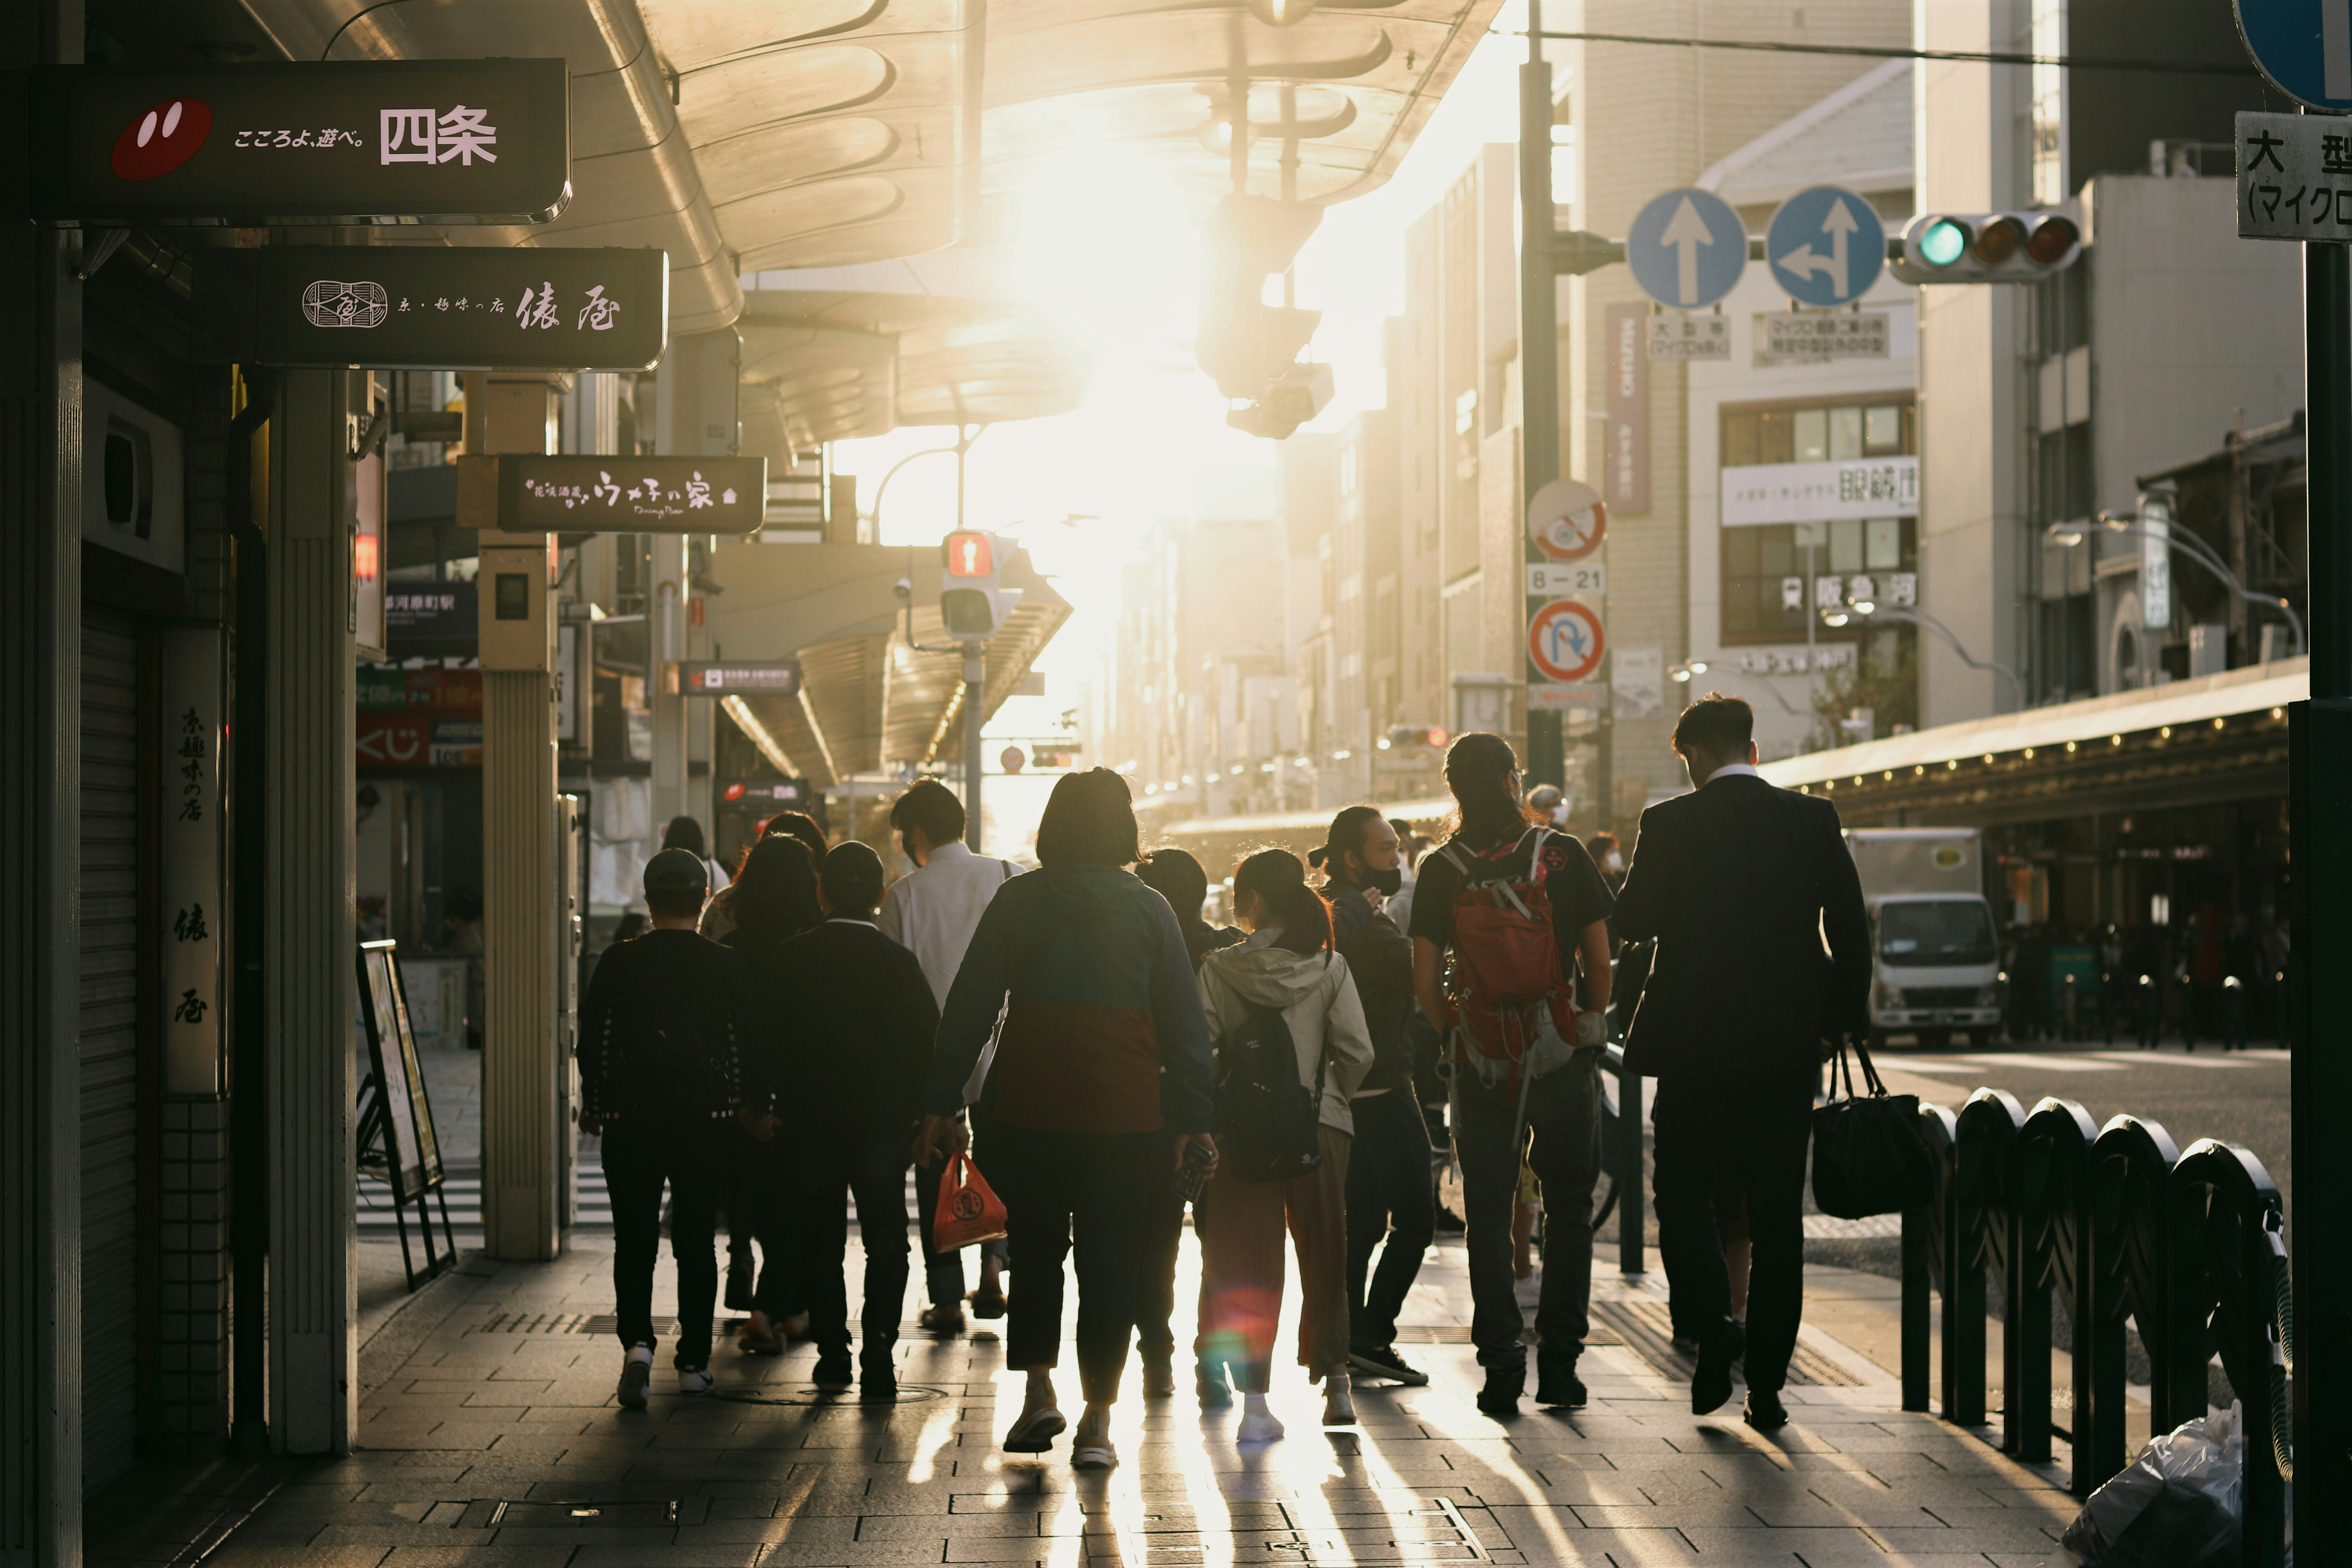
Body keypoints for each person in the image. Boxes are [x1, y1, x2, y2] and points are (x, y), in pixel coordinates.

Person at [915, 769, 1214, 1471]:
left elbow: (970, 1005)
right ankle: (1100, 1423)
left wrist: (940, 1100)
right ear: (1124, 828)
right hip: (1127, 1114)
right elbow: (1185, 1027)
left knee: (1038, 1252)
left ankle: (1039, 1392)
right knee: (1112, 1260)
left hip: (1029, 1108)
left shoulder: (1019, 900)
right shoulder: (1150, 910)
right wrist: (1194, 1117)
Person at [1612, 693, 1869, 1432]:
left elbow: (1633, 922)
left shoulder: (1669, 823)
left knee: (1683, 1195)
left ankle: (1712, 1325)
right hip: (1788, 1051)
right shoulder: (1812, 819)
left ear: (1693, 758)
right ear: (1753, 751)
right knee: (1778, 1219)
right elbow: (1851, 930)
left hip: (1693, 1045)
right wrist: (1834, 1025)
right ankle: (1767, 1387)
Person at [1408, 733, 1614, 1416]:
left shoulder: (1441, 868)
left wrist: (1456, 1036)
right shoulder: (1560, 852)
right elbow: (1600, 961)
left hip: (1482, 1059)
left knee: (1490, 1216)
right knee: (1570, 1209)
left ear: (1453, 789)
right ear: (1510, 780)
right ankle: (1560, 1365)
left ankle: (1500, 1368)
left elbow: (1424, 982)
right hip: (1559, 1056)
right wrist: (1582, 1024)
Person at [1194, 849, 1374, 1441]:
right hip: (1319, 1125)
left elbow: (1204, 1050)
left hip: (1244, 1130)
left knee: (1251, 1260)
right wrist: (1329, 1102)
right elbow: (1357, 1052)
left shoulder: (1219, 970)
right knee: (1326, 1248)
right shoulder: (1330, 967)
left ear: (1250, 901)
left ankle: (1255, 1404)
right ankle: (1339, 1383)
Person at [758, 842, 940, 1401]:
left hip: (809, 1123)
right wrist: (927, 1114)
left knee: (821, 1241)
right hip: (884, 1126)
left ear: (822, 895)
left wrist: (768, 1105)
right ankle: (880, 1353)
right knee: (887, 1239)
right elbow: (927, 1046)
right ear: (881, 897)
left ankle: (834, 1355)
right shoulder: (899, 963)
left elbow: (769, 1043)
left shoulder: (791, 958)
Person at [577, 849, 757, 1410]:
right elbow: (746, 1043)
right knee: (696, 1242)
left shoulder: (619, 961)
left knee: (633, 1241)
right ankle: (695, 1363)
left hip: (632, 1120)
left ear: (649, 900)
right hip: (705, 1122)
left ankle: (637, 1348)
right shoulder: (725, 964)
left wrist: (597, 1102)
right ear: (704, 898)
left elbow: (594, 1040)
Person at [877, 778, 1021, 1334]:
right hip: (1007, 1054)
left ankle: (946, 1299)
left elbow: (893, 991)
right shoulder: (1011, 877)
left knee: (935, 1171)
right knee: (1001, 1162)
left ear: (916, 833)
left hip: (931, 1060)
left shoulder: (906, 896)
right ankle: (994, 1271)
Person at [1310, 808, 1434, 1389]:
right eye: (1387, 849)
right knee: (1415, 1218)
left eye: (1398, 848)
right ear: (1355, 857)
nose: (1398, 858)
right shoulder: (1366, 922)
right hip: (1382, 1088)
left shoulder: (1331, 909)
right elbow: (1420, 977)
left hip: (1341, 1091)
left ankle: (1349, 1335)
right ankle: (1371, 1333)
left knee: (1359, 1221)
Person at [1131, 846, 1247, 1396]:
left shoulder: (1136, 952)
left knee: (1155, 1242)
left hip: (1152, 1115)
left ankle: (1156, 1353)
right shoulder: (1227, 950)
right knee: (1219, 1239)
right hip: (1221, 1118)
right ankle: (1213, 1362)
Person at [715, 835, 824, 1349]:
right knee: (797, 1207)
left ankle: (782, 1311)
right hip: (802, 1095)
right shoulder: (814, 944)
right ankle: (771, 1312)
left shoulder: (732, 949)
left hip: (741, 1098)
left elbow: (719, 1029)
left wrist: (740, 1100)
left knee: (758, 1205)